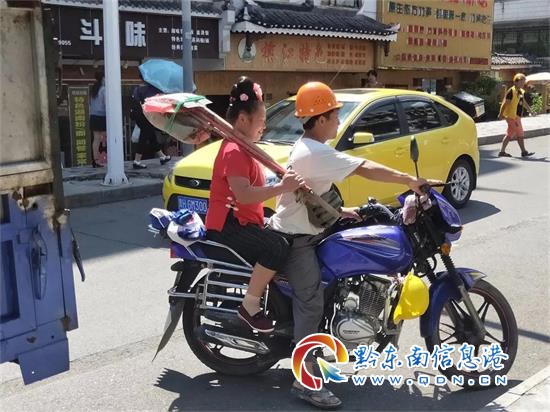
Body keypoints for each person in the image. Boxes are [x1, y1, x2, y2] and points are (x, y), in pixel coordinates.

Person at [268, 81, 441, 409]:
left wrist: (344, 211)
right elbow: (365, 168)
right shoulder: (315, 152)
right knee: (311, 301)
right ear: (320, 119)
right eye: (334, 115)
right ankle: (305, 382)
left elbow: (312, 194)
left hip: (313, 230)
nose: (338, 120)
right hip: (296, 240)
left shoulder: (310, 147)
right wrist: (409, 181)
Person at [205, 76, 306, 333]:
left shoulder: (246, 148)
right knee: (276, 246)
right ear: (242, 119)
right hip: (228, 226)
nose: (264, 127)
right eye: (261, 121)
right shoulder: (234, 150)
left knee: (284, 235)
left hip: (243, 222)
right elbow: (244, 195)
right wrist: (283, 187)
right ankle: (249, 306)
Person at [130, 79, 172, 169]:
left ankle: (162, 157)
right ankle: (137, 161)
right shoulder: (152, 91)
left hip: (137, 114)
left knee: (151, 135)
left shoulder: (141, 88)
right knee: (144, 136)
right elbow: (153, 105)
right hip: (144, 115)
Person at [498, 73, 534, 158]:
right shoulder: (511, 91)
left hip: (516, 116)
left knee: (509, 134)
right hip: (511, 117)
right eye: (521, 82)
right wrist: (500, 114)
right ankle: (524, 151)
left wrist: (531, 111)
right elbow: (505, 104)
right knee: (520, 133)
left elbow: (523, 102)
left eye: (523, 82)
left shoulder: (520, 91)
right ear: (516, 82)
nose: (523, 84)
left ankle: (502, 152)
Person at [89, 70, 106, 167]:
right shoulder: (103, 89)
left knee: (96, 139)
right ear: (103, 78)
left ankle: (95, 160)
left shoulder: (94, 89)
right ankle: (110, 158)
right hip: (102, 116)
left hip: (93, 116)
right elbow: (106, 103)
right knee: (107, 137)